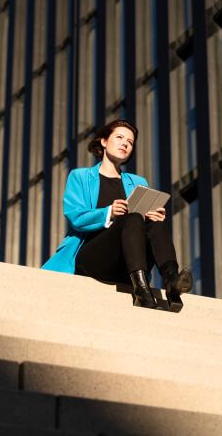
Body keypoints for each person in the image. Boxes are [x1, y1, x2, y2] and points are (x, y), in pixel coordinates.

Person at [41, 119, 193, 310]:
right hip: (92, 258)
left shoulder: (138, 181)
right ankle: (141, 291)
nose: (125, 144)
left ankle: (171, 282)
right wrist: (109, 212)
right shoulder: (80, 176)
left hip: (127, 261)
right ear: (103, 141)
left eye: (129, 142)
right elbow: (75, 216)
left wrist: (153, 217)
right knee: (132, 217)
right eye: (119, 137)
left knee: (155, 223)